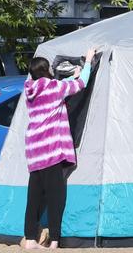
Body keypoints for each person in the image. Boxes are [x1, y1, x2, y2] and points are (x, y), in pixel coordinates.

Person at [21, 47, 96, 250]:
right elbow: (82, 84)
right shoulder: (54, 88)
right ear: (47, 70)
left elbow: (60, 85)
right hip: (51, 151)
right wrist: (88, 61)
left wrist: (70, 76)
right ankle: (54, 240)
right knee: (56, 197)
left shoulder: (29, 89)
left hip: (34, 150)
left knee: (34, 197)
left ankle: (29, 239)